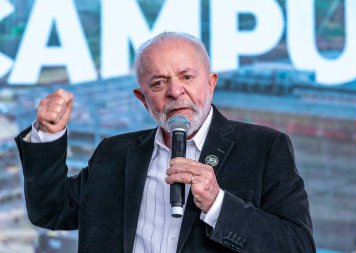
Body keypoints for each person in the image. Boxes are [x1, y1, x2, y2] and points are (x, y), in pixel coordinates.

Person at [15, 32, 316, 253]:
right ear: (142, 99)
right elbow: (49, 210)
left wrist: (217, 204)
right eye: (158, 83)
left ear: (211, 83)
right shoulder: (114, 153)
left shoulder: (264, 148)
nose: (175, 91)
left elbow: (298, 247)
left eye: (186, 76)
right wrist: (48, 133)